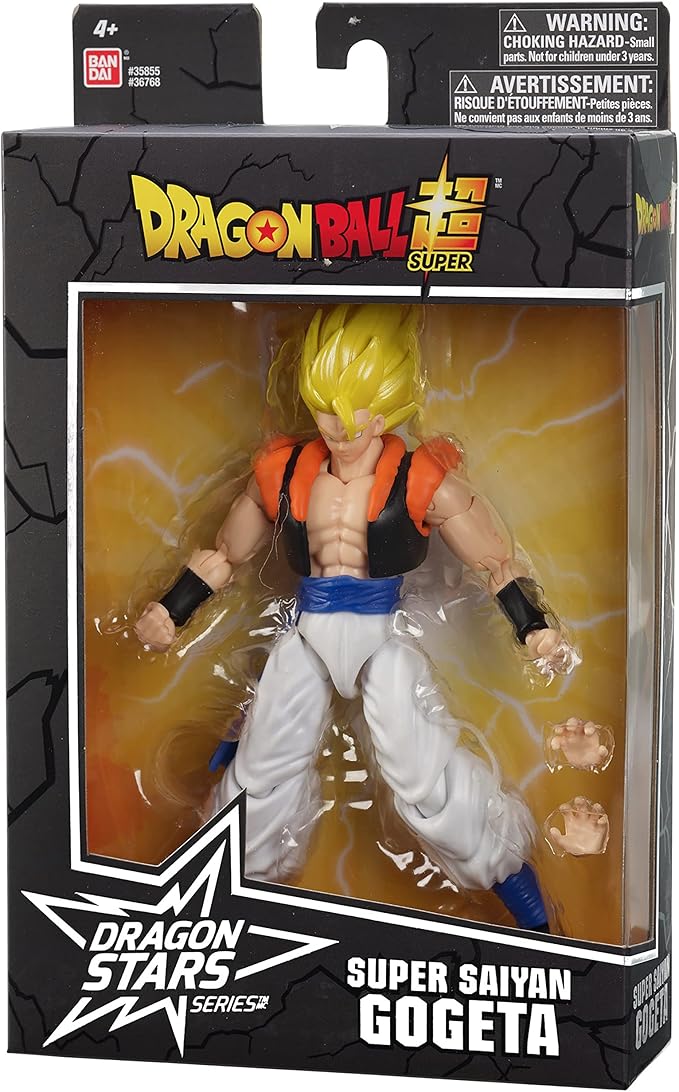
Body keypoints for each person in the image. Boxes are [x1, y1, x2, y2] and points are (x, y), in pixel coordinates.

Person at [135, 304, 577, 931]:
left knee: (420, 773)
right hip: (308, 633)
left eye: (360, 407)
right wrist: (171, 610)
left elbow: (495, 560)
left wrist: (533, 625)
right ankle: (229, 895)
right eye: (327, 408)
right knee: (261, 770)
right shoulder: (284, 470)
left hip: (383, 636)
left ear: (391, 402)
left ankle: (518, 893)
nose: (342, 426)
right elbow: (225, 554)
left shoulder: (421, 477)